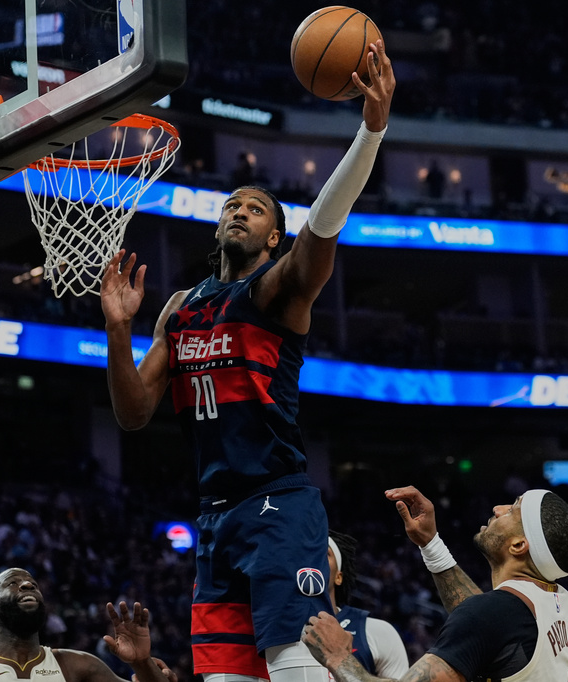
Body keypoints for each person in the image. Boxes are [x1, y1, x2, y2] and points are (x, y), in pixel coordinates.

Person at [101, 39, 395, 682]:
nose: (239, 210)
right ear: (217, 228)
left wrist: (369, 135)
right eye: (231, 204)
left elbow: (321, 227)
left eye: (255, 208)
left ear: (272, 238)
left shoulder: (273, 293)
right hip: (214, 516)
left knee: (294, 665)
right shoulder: (179, 306)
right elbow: (132, 414)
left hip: (278, 504)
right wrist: (118, 332)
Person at [303, 487, 568, 682]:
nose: (498, 509)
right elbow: (486, 627)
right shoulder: (562, 604)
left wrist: (339, 657)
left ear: (518, 545)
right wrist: (431, 544)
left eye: (512, 511)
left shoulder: (495, 613)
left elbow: (483, 620)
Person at [0, 567, 175, 682]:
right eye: (12, 583)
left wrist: (141, 663)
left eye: (33, 583)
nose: (27, 585)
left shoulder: (77, 665)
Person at [326, 531, 410, 679]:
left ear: (338, 577)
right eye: (307, 552)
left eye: (324, 553)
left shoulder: (376, 632)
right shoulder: (274, 631)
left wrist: (342, 660)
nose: (312, 558)